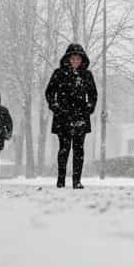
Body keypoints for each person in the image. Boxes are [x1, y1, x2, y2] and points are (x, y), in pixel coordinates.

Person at [46, 43, 98, 189]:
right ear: (68, 59)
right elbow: (50, 92)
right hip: (63, 116)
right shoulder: (58, 73)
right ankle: (61, 179)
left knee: (79, 150)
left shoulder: (87, 75)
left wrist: (90, 107)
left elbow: (93, 94)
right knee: (64, 148)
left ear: (82, 60)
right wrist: (54, 106)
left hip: (81, 116)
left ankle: (77, 180)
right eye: (73, 58)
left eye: (78, 59)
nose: (75, 61)